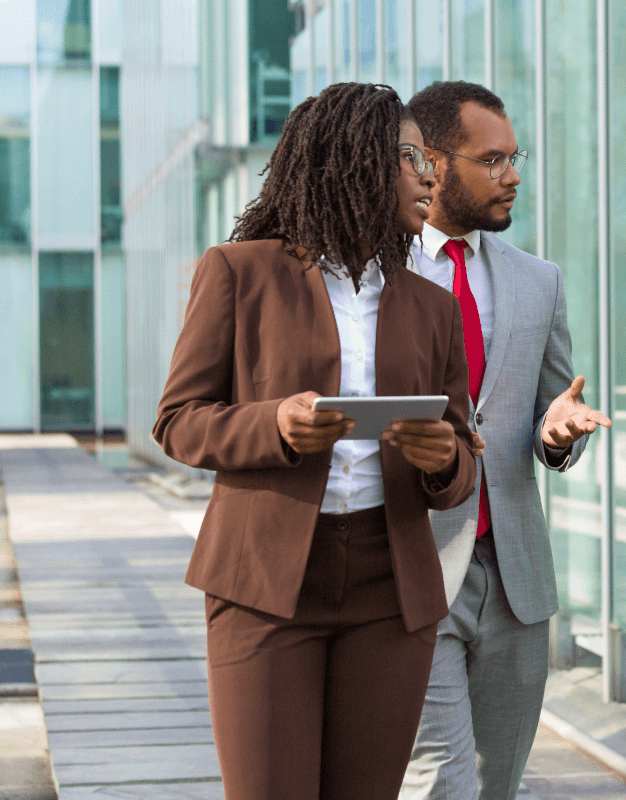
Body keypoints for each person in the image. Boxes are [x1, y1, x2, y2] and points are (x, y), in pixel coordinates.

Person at [152, 82, 478, 800]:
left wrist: (443, 459)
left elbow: (461, 462)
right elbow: (177, 419)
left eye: (431, 162)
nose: (430, 176)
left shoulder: (431, 304)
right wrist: (273, 424)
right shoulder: (239, 272)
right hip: (265, 585)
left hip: (389, 590)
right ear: (354, 159)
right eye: (411, 158)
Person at [400, 81, 611, 800]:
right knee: (440, 783)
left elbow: (557, 406)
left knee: (497, 786)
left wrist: (558, 434)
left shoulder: (537, 281)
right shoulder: (371, 270)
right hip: (413, 566)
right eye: (493, 159)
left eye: (514, 157)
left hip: (515, 576)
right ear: (432, 160)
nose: (513, 175)